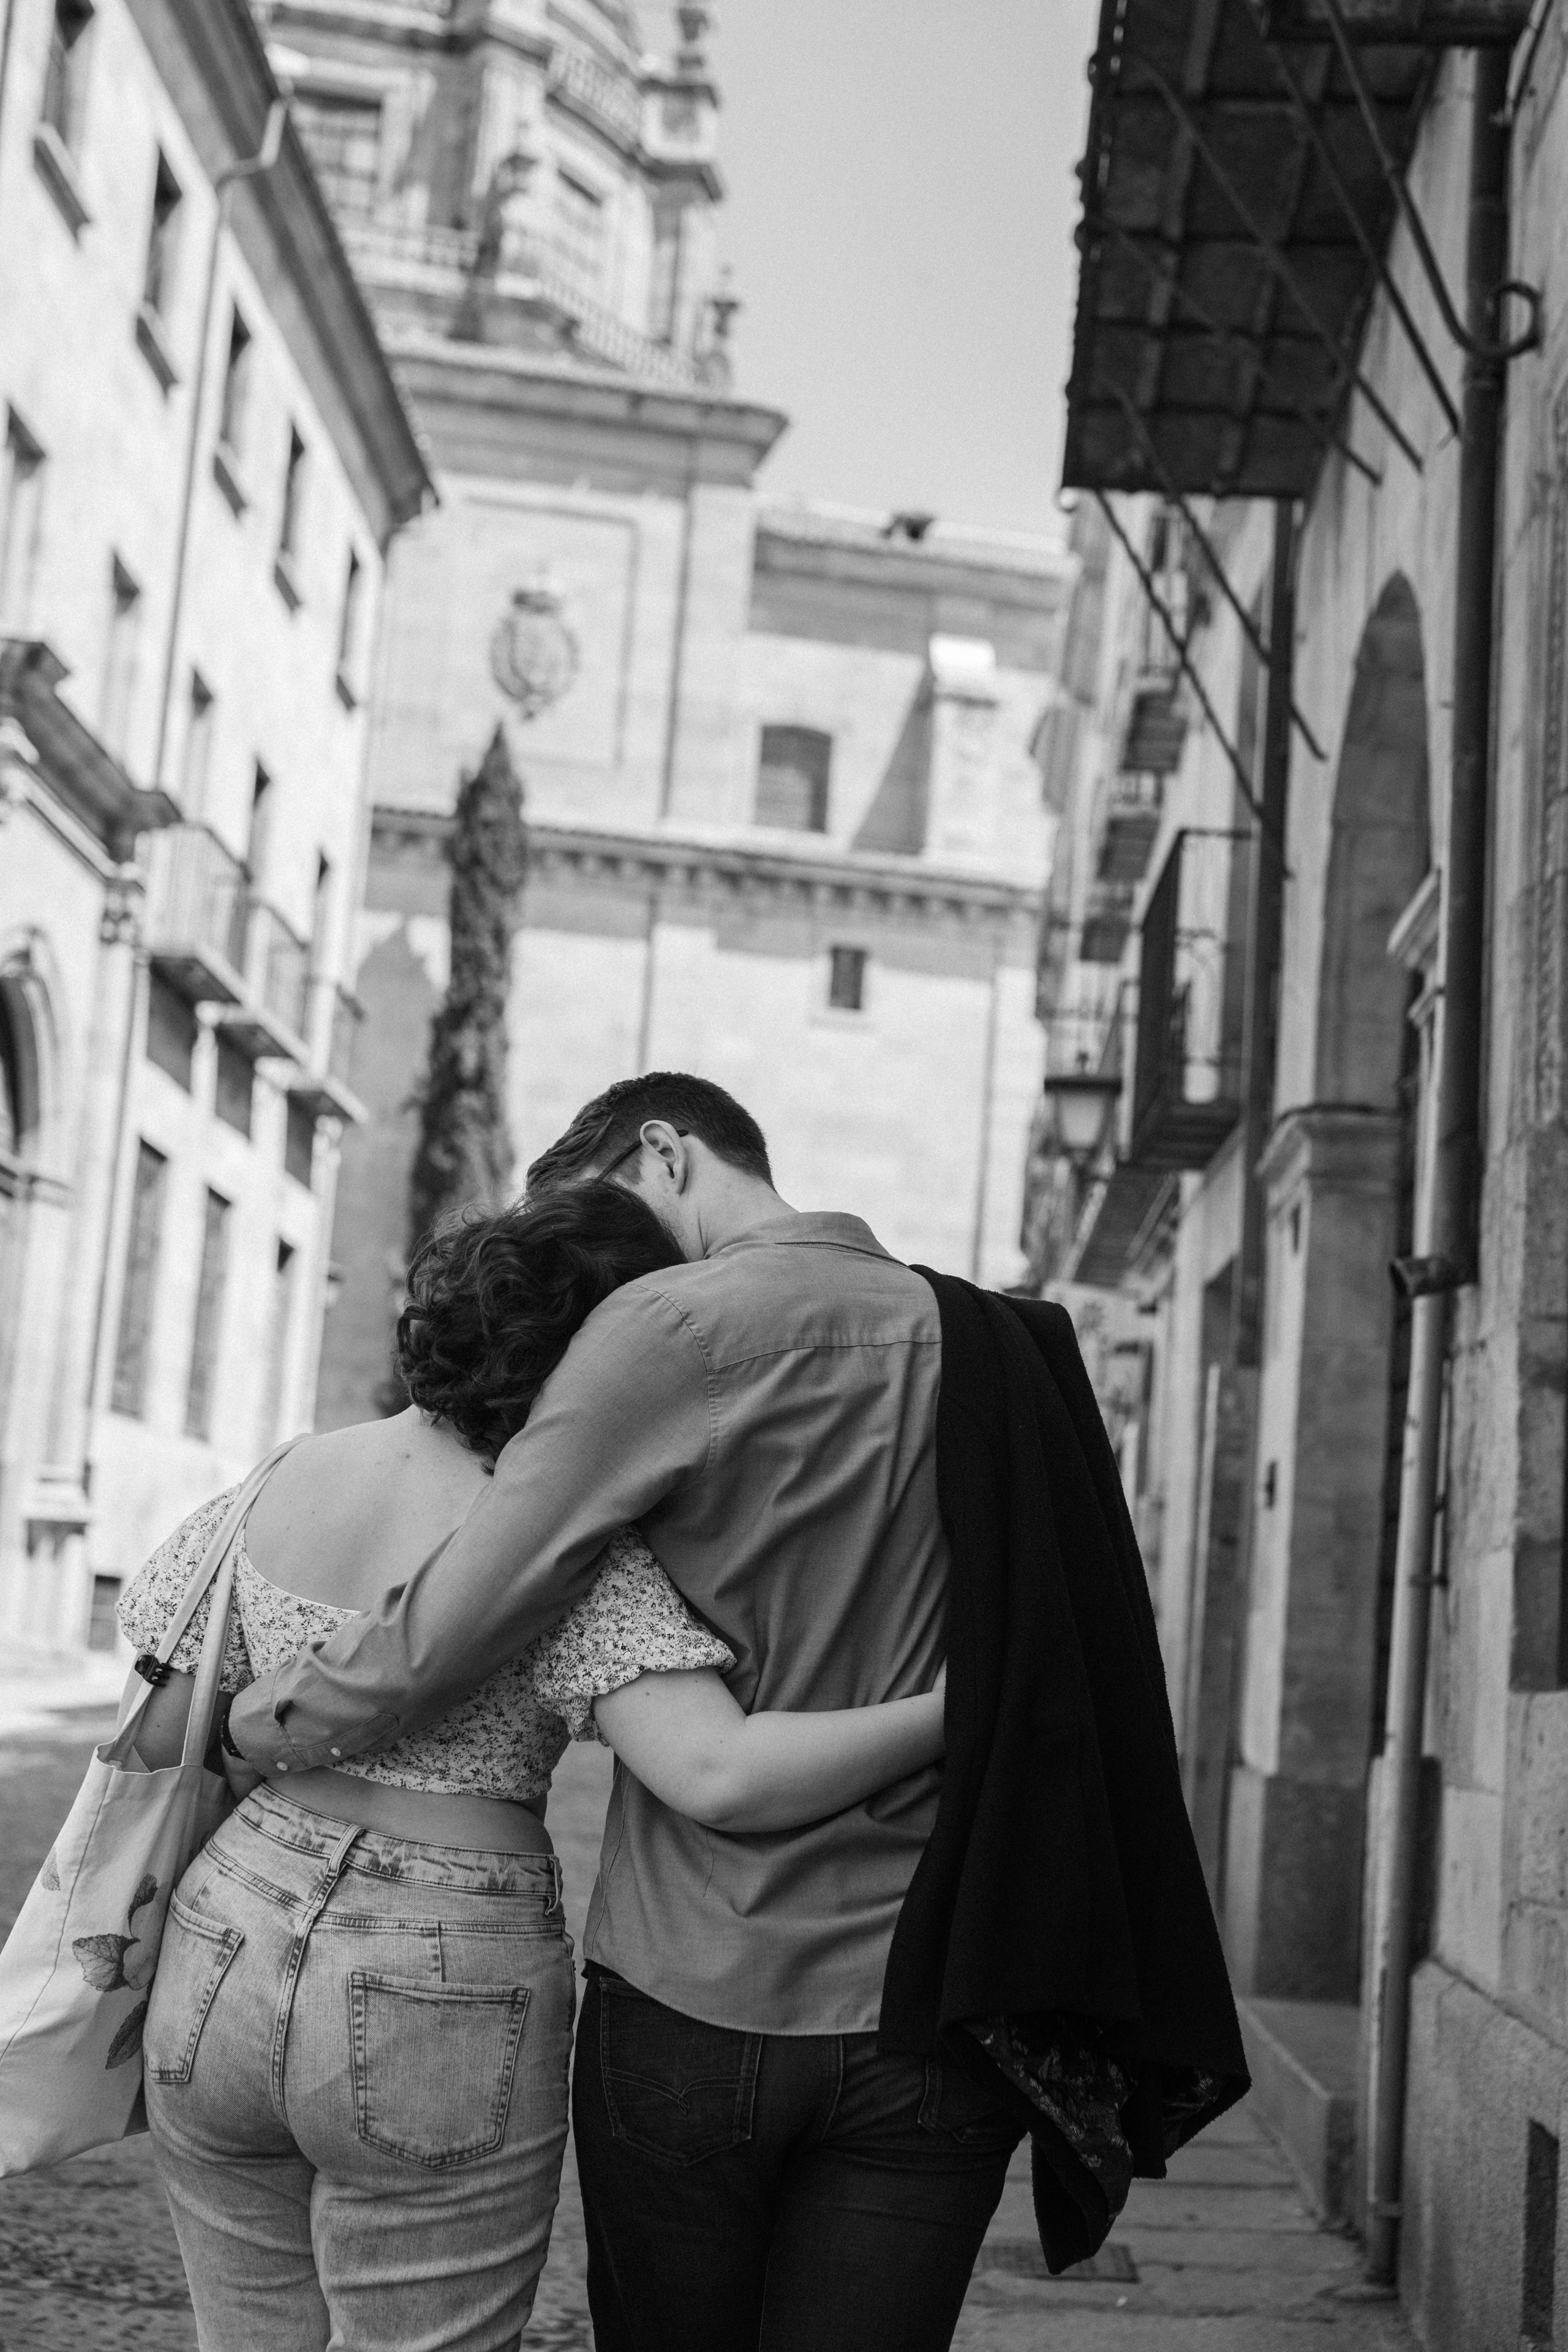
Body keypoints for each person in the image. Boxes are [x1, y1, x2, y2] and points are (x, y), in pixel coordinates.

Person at [225, 1074, 1026, 2352]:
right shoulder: (995, 1339)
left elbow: (463, 1608)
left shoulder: (662, 1330)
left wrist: (269, 1722)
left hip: (697, 1982)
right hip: (934, 1984)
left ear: (662, 1151)